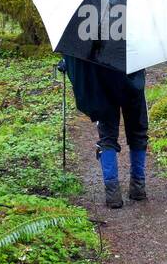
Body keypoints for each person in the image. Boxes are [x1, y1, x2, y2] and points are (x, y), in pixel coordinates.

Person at [60, 56, 148, 209]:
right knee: (138, 131)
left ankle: (113, 194)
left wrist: (68, 61)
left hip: (103, 80)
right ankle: (138, 187)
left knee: (107, 136)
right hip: (133, 78)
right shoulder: (138, 31)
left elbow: (81, 46)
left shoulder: (93, 31)